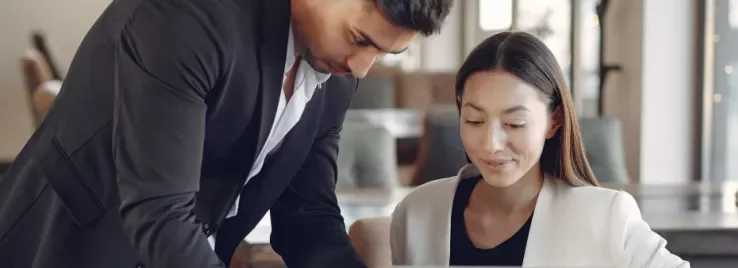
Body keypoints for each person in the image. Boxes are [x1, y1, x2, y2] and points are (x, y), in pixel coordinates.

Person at [0, 0, 454, 267]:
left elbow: (308, 215)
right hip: (71, 241)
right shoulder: (190, 16)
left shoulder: (335, 70)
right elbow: (161, 213)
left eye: (385, 53)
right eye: (360, 39)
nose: (361, 68)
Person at [389, 32, 689, 267]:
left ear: (553, 121)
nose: (491, 144)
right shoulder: (416, 214)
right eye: (474, 120)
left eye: (515, 123)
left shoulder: (606, 217)